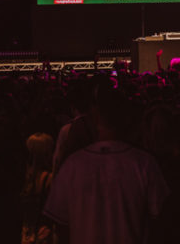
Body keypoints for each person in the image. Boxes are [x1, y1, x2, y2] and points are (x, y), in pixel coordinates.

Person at [43, 87, 170, 244]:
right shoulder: (144, 163)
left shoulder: (73, 165)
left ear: (95, 120)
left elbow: (59, 222)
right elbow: (160, 218)